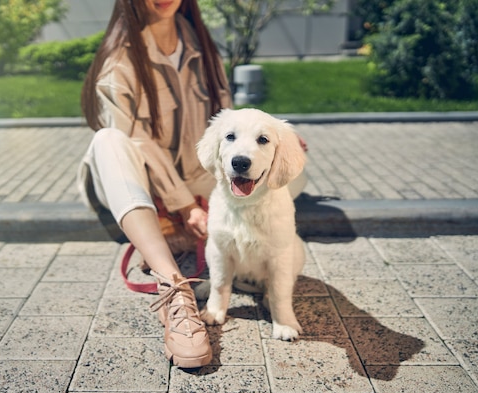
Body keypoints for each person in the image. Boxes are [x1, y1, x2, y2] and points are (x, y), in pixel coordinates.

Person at [77, 0, 306, 368]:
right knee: (108, 140)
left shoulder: (200, 46)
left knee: (292, 163)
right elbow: (139, 145)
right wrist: (186, 204)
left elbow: (227, 133)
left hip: (195, 175)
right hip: (142, 182)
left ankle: (183, 236)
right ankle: (173, 283)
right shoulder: (118, 63)